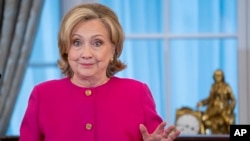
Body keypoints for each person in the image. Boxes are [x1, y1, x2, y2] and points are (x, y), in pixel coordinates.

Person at [19, 3, 180, 141]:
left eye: (97, 43)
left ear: (113, 50)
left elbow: (156, 136)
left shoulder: (137, 93)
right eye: (76, 42)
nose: (86, 53)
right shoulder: (43, 94)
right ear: (66, 49)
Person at [196, 69, 236, 134]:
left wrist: (229, 109)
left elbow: (233, 100)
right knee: (202, 119)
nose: (217, 78)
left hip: (223, 110)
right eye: (216, 76)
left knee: (229, 122)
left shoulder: (227, 87)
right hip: (213, 109)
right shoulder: (213, 87)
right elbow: (210, 99)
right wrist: (202, 103)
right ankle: (203, 137)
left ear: (222, 77)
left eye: (219, 76)